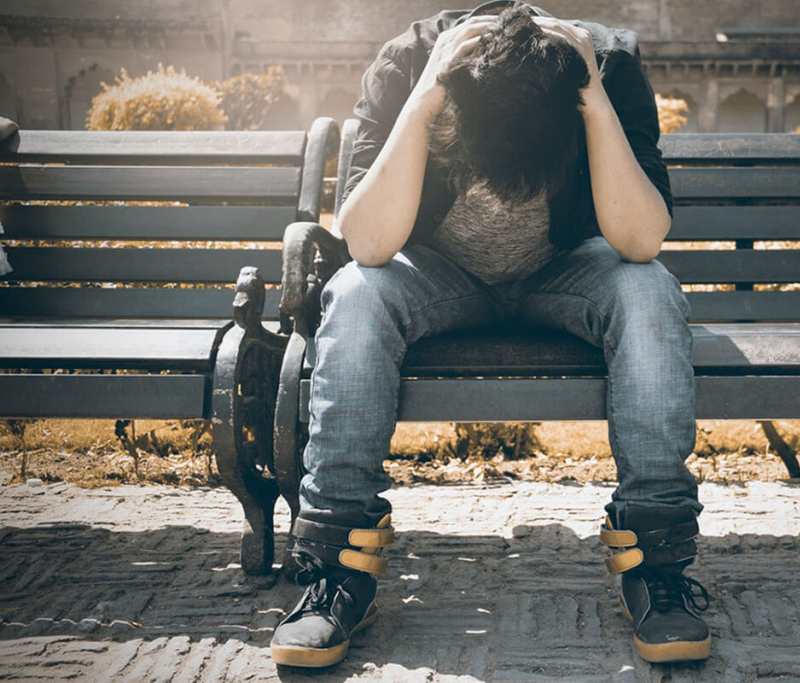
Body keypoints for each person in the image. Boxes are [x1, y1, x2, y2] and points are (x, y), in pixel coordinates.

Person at [270, 0, 709, 668]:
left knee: (648, 291)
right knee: (356, 294)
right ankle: (335, 570)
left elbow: (641, 238)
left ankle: (657, 563)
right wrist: (424, 101)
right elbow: (366, 241)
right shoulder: (407, 65)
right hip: (439, 273)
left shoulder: (607, 67)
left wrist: (590, 99)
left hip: (565, 269)